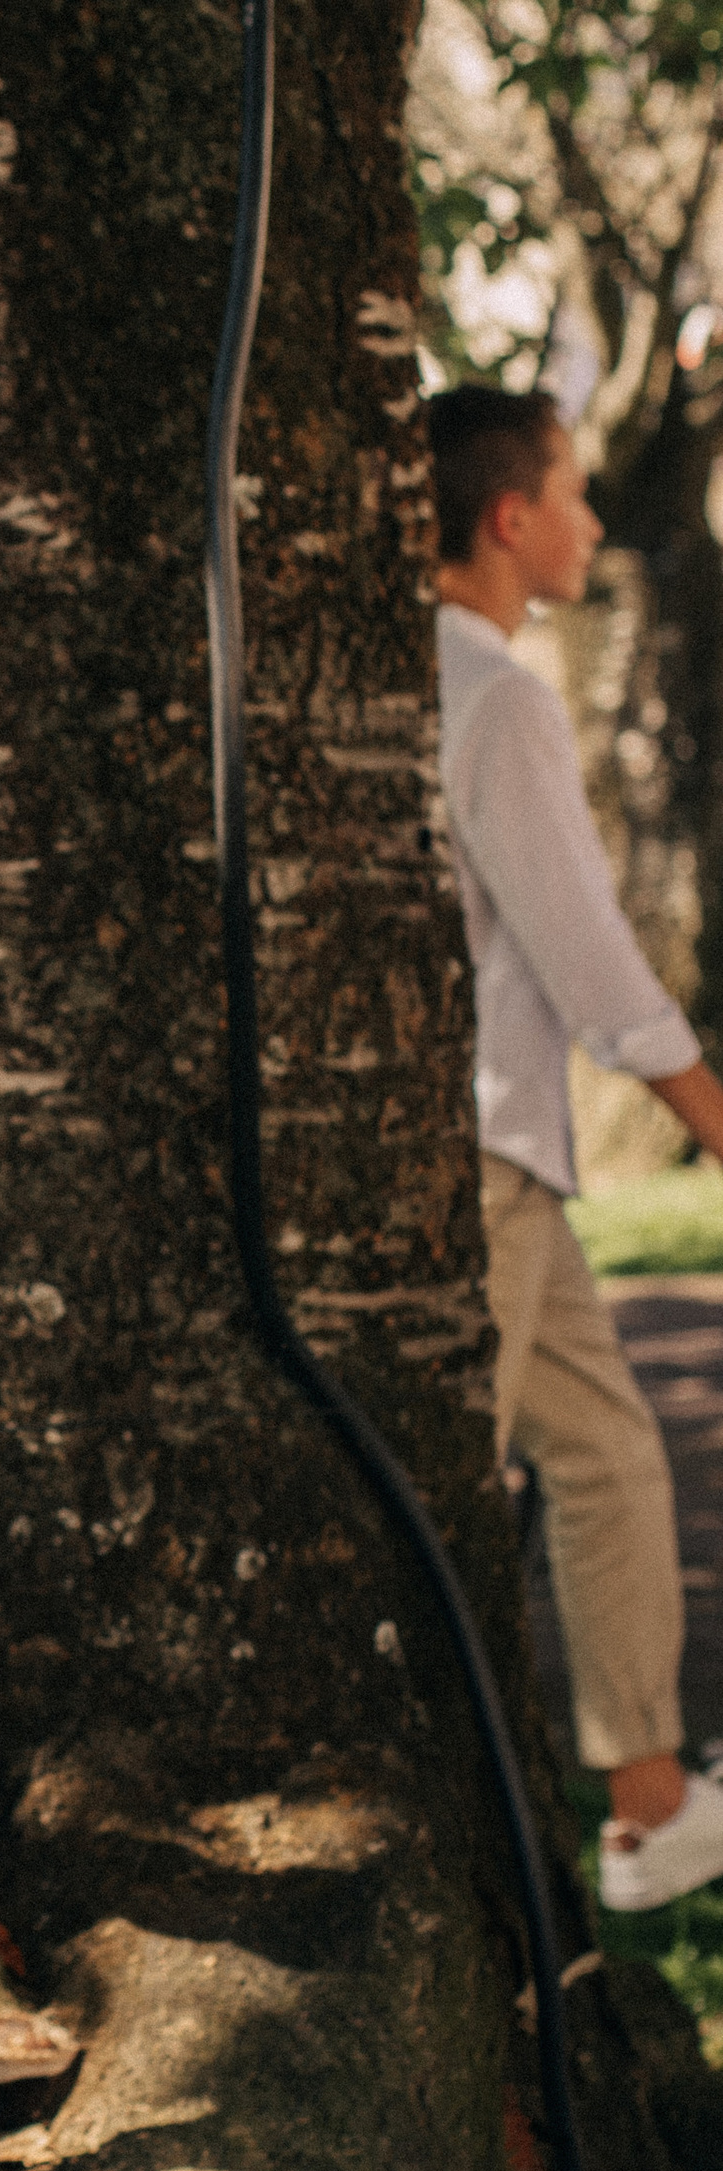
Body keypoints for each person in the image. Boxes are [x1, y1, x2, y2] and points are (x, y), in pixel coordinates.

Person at [431, 381, 723, 1913]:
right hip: (474, 1153)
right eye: (573, 490)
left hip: (498, 1153)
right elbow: (589, 958)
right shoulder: (494, 693)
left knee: (607, 1453)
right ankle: (401, 1817)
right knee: (439, 1486)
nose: (595, 521)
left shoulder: (409, 679)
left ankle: (648, 1809)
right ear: (508, 515)